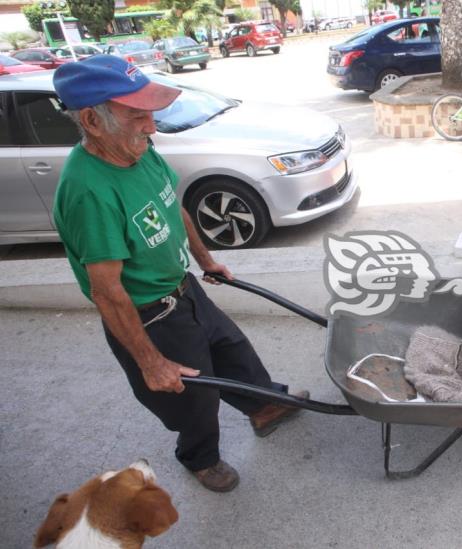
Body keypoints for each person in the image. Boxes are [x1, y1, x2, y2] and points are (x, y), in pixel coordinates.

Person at [52, 55, 308, 493]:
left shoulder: (138, 150)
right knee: (193, 397)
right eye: (136, 116)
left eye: (150, 114)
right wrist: (150, 361)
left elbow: (172, 203)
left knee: (232, 350)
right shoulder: (88, 192)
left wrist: (204, 260)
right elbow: (107, 291)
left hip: (183, 286)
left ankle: (263, 407)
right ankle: (199, 458)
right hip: (149, 314)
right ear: (93, 120)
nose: (151, 127)